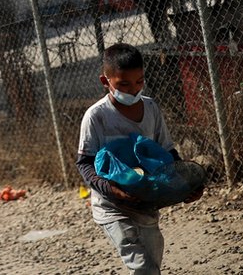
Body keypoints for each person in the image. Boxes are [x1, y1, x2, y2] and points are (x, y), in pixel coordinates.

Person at [77, 43, 203, 274]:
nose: (133, 90)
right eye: (123, 84)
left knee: (152, 262)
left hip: (146, 202)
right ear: (106, 82)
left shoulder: (151, 108)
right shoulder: (96, 116)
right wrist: (111, 189)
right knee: (143, 266)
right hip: (111, 205)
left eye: (139, 82)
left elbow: (167, 153)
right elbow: (85, 163)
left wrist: (184, 185)